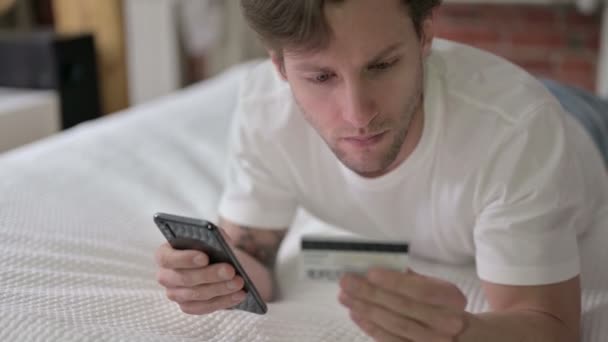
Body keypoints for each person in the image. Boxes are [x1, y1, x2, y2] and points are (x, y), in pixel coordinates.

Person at [155, 0, 608, 341]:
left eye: (383, 65)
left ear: (426, 35)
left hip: (585, 124)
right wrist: (211, 278)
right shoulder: (264, 110)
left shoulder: (516, 132)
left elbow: (550, 324)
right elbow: (255, 256)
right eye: (320, 77)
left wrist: (462, 333)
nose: (357, 115)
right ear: (279, 65)